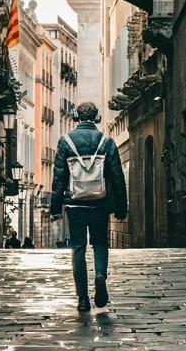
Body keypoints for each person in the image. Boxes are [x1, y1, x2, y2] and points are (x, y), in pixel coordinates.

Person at [50, 101, 127, 312]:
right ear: (97, 118)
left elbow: (58, 178)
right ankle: (100, 275)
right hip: (100, 203)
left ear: (75, 116)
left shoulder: (65, 142)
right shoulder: (107, 141)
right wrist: (121, 206)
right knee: (100, 243)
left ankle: (83, 298)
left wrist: (55, 207)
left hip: (75, 205)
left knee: (78, 248)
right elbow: (117, 177)